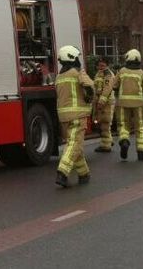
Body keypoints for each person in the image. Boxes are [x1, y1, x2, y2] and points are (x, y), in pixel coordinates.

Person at [55, 45, 96, 188]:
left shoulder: (59, 77)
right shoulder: (77, 72)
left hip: (63, 117)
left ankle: (84, 174)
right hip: (78, 115)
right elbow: (90, 85)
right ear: (72, 58)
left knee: (74, 144)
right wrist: (90, 95)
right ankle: (63, 172)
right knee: (74, 144)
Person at [112, 48, 143, 161]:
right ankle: (141, 152)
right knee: (141, 127)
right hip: (139, 103)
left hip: (123, 103)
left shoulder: (121, 71)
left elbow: (114, 86)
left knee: (123, 125)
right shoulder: (142, 72)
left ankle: (124, 141)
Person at [91, 57, 116, 153]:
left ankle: (106, 146)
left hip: (106, 102)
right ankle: (108, 140)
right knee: (100, 123)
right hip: (99, 102)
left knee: (105, 123)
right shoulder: (98, 74)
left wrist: (101, 101)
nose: (100, 67)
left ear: (107, 65)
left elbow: (107, 89)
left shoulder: (107, 74)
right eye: (99, 65)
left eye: (103, 65)